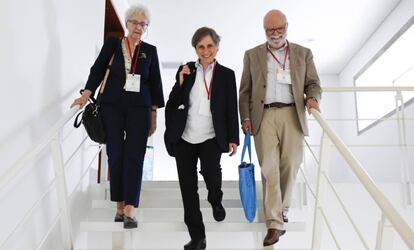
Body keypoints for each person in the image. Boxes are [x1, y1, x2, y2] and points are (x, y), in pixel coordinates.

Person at [71, 4, 164, 229]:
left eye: (143, 24)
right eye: (135, 22)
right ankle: (119, 204)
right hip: (112, 106)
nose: (138, 27)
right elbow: (98, 68)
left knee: (135, 155)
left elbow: (155, 83)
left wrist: (153, 114)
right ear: (127, 23)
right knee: (115, 153)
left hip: (139, 109)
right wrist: (86, 94)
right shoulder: (113, 44)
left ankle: (131, 207)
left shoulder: (149, 50)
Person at [239, 9, 322, 246]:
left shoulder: (303, 53)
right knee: (269, 168)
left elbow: (313, 83)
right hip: (263, 115)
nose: (274, 34)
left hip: (292, 113)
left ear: (287, 26)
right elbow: (245, 91)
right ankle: (274, 223)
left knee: (291, 164)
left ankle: (283, 209)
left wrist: (313, 98)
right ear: (264, 30)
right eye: (269, 30)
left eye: (279, 28)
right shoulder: (252, 55)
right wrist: (245, 117)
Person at [164, 27, 239, 250]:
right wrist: (180, 82)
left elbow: (230, 108)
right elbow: (171, 104)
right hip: (185, 137)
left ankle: (216, 199)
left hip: (211, 136)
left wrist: (233, 137)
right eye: (201, 47)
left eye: (209, 46)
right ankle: (198, 237)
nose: (205, 51)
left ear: (217, 47)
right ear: (195, 49)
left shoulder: (226, 74)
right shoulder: (186, 69)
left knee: (211, 173)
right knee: (188, 189)